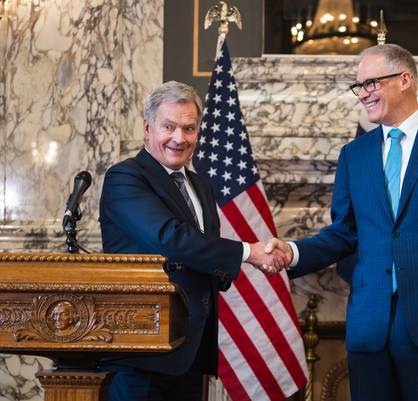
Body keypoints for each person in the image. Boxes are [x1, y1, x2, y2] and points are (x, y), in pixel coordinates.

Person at [265, 44, 418, 400]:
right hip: (369, 325)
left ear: (405, 79)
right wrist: (293, 252)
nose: (363, 94)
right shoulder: (353, 155)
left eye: (371, 83)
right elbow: (344, 234)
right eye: (358, 86)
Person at [98, 81, 286, 401]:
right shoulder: (125, 177)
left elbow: (203, 253)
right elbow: (171, 240)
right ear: (147, 127)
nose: (179, 138)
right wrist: (249, 253)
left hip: (190, 352)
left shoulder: (200, 185)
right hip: (140, 352)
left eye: (189, 128)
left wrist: (245, 263)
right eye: (168, 126)